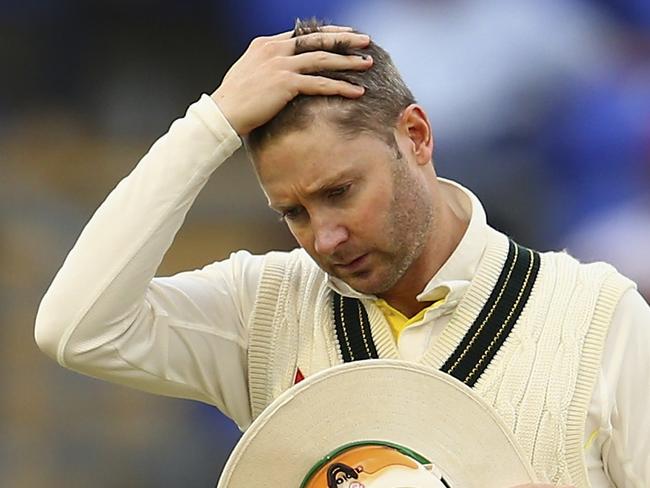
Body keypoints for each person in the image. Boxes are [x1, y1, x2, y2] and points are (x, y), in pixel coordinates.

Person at [35, 18, 649, 488]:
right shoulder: (264, 307)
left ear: (415, 136)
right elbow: (75, 329)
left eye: (340, 192)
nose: (324, 238)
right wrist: (210, 124)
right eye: (294, 213)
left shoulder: (599, 318)